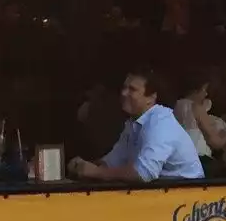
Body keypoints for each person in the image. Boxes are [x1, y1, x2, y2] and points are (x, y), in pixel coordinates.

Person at [68, 69, 203, 182]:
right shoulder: (133, 123)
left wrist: (96, 172)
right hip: (163, 195)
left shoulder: (161, 122)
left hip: (190, 198)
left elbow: (143, 173)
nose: (123, 93)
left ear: (151, 98)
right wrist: (84, 166)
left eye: (132, 89)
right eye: (124, 88)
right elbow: (112, 162)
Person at [174, 70, 226, 165]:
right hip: (198, 157)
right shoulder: (196, 108)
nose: (206, 94)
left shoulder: (177, 106)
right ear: (195, 91)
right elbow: (213, 140)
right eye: (204, 90)